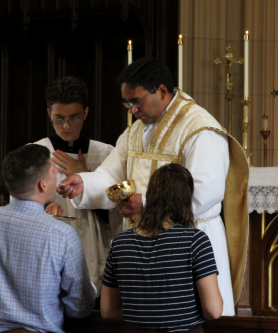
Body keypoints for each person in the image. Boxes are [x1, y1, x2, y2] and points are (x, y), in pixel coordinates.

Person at [58, 58, 249, 316]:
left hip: (190, 241)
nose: (132, 110)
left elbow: (206, 190)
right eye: (127, 103)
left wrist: (146, 204)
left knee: (187, 318)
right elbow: (113, 175)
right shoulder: (136, 131)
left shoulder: (200, 129)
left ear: (161, 91)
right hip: (143, 244)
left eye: (136, 101)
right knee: (144, 318)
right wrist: (84, 183)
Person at [0, 144, 96, 333]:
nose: (57, 178)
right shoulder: (62, 233)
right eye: (54, 172)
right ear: (42, 185)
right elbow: (80, 307)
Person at [100, 164, 223, 333]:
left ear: (150, 196)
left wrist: (146, 313)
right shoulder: (195, 240)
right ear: (186, 199)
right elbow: (213, 310)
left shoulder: (120, 243)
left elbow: (107, 310)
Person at [35, 76, 122, 293]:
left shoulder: (105, 154)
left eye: (74, 118)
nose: (66, 126)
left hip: (95, 250)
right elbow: (20, 211)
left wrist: (86, 176)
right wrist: (45, 208)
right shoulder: (36, 153)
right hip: (50, 253)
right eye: (58, 118)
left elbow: (120, 211)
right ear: (48, 114)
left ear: (86, 113)